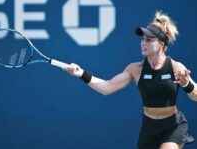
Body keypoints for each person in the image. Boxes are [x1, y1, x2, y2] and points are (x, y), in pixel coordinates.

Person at [64, 11, 197, 149]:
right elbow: (107, 87)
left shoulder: (176, 67)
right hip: (149, 128)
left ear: (162, 44)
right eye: (143, 39)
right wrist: (81, 74)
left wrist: (187, 84)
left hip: (173, 126)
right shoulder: (135, 69)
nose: (143, 43)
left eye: (149, 40)